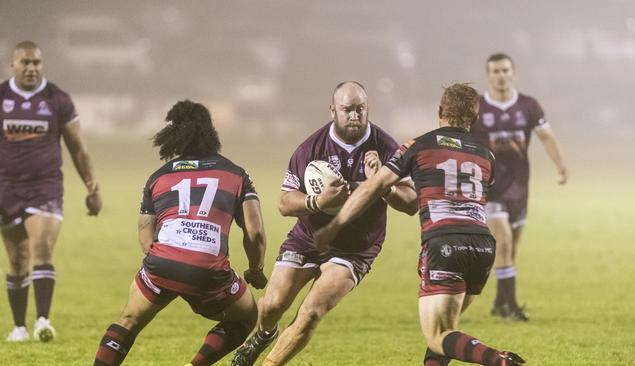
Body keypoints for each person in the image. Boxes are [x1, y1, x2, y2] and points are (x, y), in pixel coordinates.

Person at [315, 83, 526, 366]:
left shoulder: (420, 145)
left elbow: (371, 188)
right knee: (445, 333)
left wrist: (336, 224)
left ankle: (498, 360)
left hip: (444, 244)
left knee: (438, 335)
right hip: (483, 247)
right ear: (473, 120)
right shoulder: (486, 155)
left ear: (439, 112)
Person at [231, 81, 417, 366]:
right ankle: (263, 336)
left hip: (354, 249)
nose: (354, 115)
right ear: (332, 110)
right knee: (271, 306)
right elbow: (284, 203)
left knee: (311, 313)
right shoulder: (311, 148)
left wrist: (383, 184)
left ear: (368, 109)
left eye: (360, 109)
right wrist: (316, 202)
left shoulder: (386, 147)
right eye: (347, 110)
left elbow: (411, 203)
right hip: (308, 238)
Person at [93, 100, 268, 366]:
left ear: (173, 135)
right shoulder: (236, 174)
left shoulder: (158, 176)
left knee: (128, 320)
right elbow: (255, 234)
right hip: (208, 269)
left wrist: (163, 267)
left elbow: (144, 233)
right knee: (245, 317)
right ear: (211, 133)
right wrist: (255, 270)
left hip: (161, 262)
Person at [0, 41, 102, 342]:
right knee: (17, 260)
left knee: (41, 248)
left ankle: (43, 321)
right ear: (13, 65)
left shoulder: (57, 99)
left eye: (36, 63)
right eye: (25, 63)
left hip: (45, 186)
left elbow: (77, 148)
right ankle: (19, 326)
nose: (32, 68)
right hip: (6, 188)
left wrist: (91, 185)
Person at [470, 53, 568, 321]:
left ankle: (500, 301)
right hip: (489, 187)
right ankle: (510, 306)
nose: (500, 76)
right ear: (488, 75)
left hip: (520, 186)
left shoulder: (528, 106)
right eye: (495, 71)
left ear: (513, 72)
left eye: (505, 70)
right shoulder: (477, 108)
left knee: (511, 249)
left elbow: (546, 137)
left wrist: (560, 165)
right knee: (503, 242)